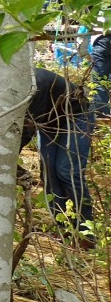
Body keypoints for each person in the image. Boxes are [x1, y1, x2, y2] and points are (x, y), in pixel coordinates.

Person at [22, 68, 95, 236]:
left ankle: (85, 231)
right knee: (48, 173)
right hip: (49, 122)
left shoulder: (35, 84)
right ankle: (63, 229)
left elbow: (28, 127)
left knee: (66, 171)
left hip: (76, 116)